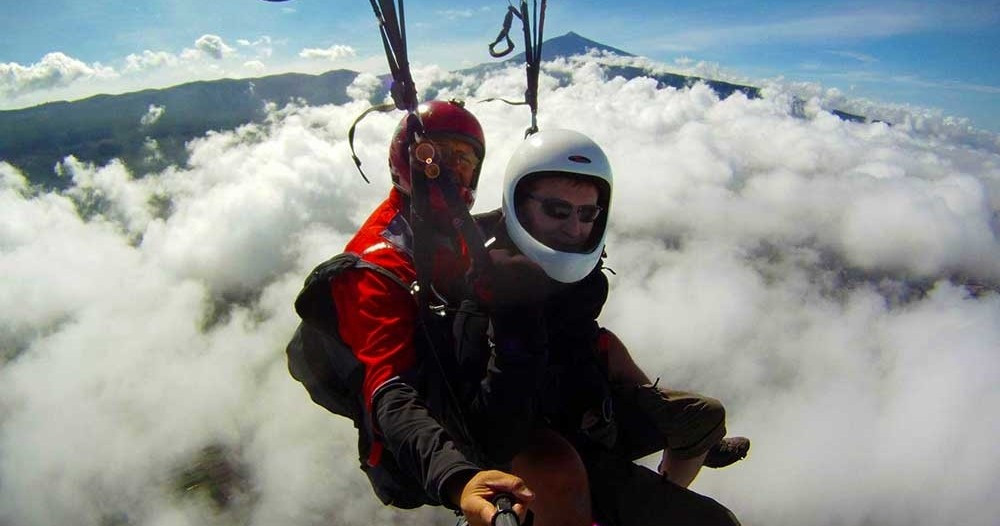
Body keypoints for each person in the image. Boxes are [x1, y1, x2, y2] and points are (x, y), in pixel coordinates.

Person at [287, 100, 590, 526]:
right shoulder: (375, 268)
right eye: (434, 155)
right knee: (558, 467)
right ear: (403, 162)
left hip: (453, 370)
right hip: (431, 428)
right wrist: (457, 478)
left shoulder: (443, 224)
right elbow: (388, 392)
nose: (444, 171)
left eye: (461, 159)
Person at [475, 129, 748, 525]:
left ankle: (662, 488)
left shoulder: (578, 281)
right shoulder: (494, 278)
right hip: (549, 441)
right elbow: (494, 405)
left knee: (704, 415)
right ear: (517, 204)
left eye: (588, 214)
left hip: (591, 407)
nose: (574, 228)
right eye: (557, 210)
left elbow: (593, 339)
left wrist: (641, 395)